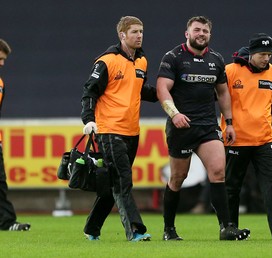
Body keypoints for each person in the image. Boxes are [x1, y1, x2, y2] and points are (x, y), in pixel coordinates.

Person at [156, 16, 250, 241]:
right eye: (197, 30)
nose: (201, 34)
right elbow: (162, 89)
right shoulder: (173, 57)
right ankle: (169, 229)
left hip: (208, 126)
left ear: (209, 35)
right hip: (182, 127)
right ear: (187, 34)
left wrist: (228, 122)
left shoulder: (216, 59)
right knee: (178, 178)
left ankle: (226, 228)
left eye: (205, 31)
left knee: (218, 172)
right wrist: (175, 114)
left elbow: (223, 92)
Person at [80, 16, 157, 241]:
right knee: (123, 180)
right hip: (109, 130)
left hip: (132, 131)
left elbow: (141, 91)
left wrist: (167, 94)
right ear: (122, 35)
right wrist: (88, 120)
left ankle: (91, 228)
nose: (139, 35)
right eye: (134, 32)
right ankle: (135, 230)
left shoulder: (142, 61)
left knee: (113, 183)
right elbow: (89, 92)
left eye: (141, 31)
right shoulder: (107, 61)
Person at [221, 33, 272, 240]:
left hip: (265, 139)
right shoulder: (230, 71)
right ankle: (229, 228)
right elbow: (216, 98)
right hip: (235, 139)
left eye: (269, 54)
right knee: (232, 185)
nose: (266, 58)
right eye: (262, 54)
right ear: (251, 54)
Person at [0, 39, 31, 232]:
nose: (2, 63)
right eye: (0, 59)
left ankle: (7, 222)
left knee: (0, 183)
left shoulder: (0, 83)